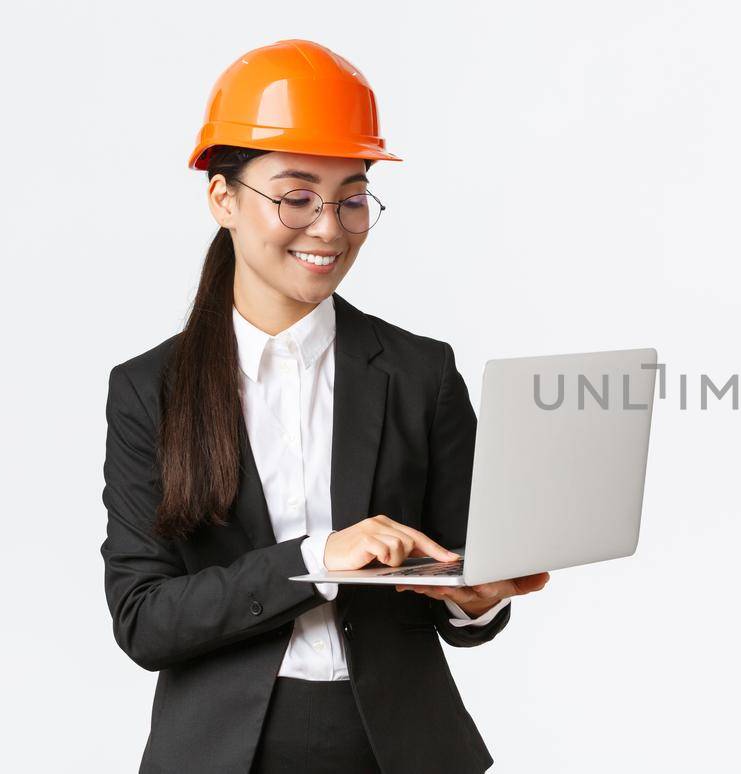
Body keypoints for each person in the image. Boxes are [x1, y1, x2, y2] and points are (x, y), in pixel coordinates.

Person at [99, 39, 549, 774]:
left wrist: (479, 598)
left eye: (351, 197)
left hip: (400, 746)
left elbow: (456, 597)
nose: (330, 227)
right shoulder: (152, 390)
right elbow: (145, 619)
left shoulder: (420, 372)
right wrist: (317, 558)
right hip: (221, 751)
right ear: (223, 198)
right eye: (296, 195)